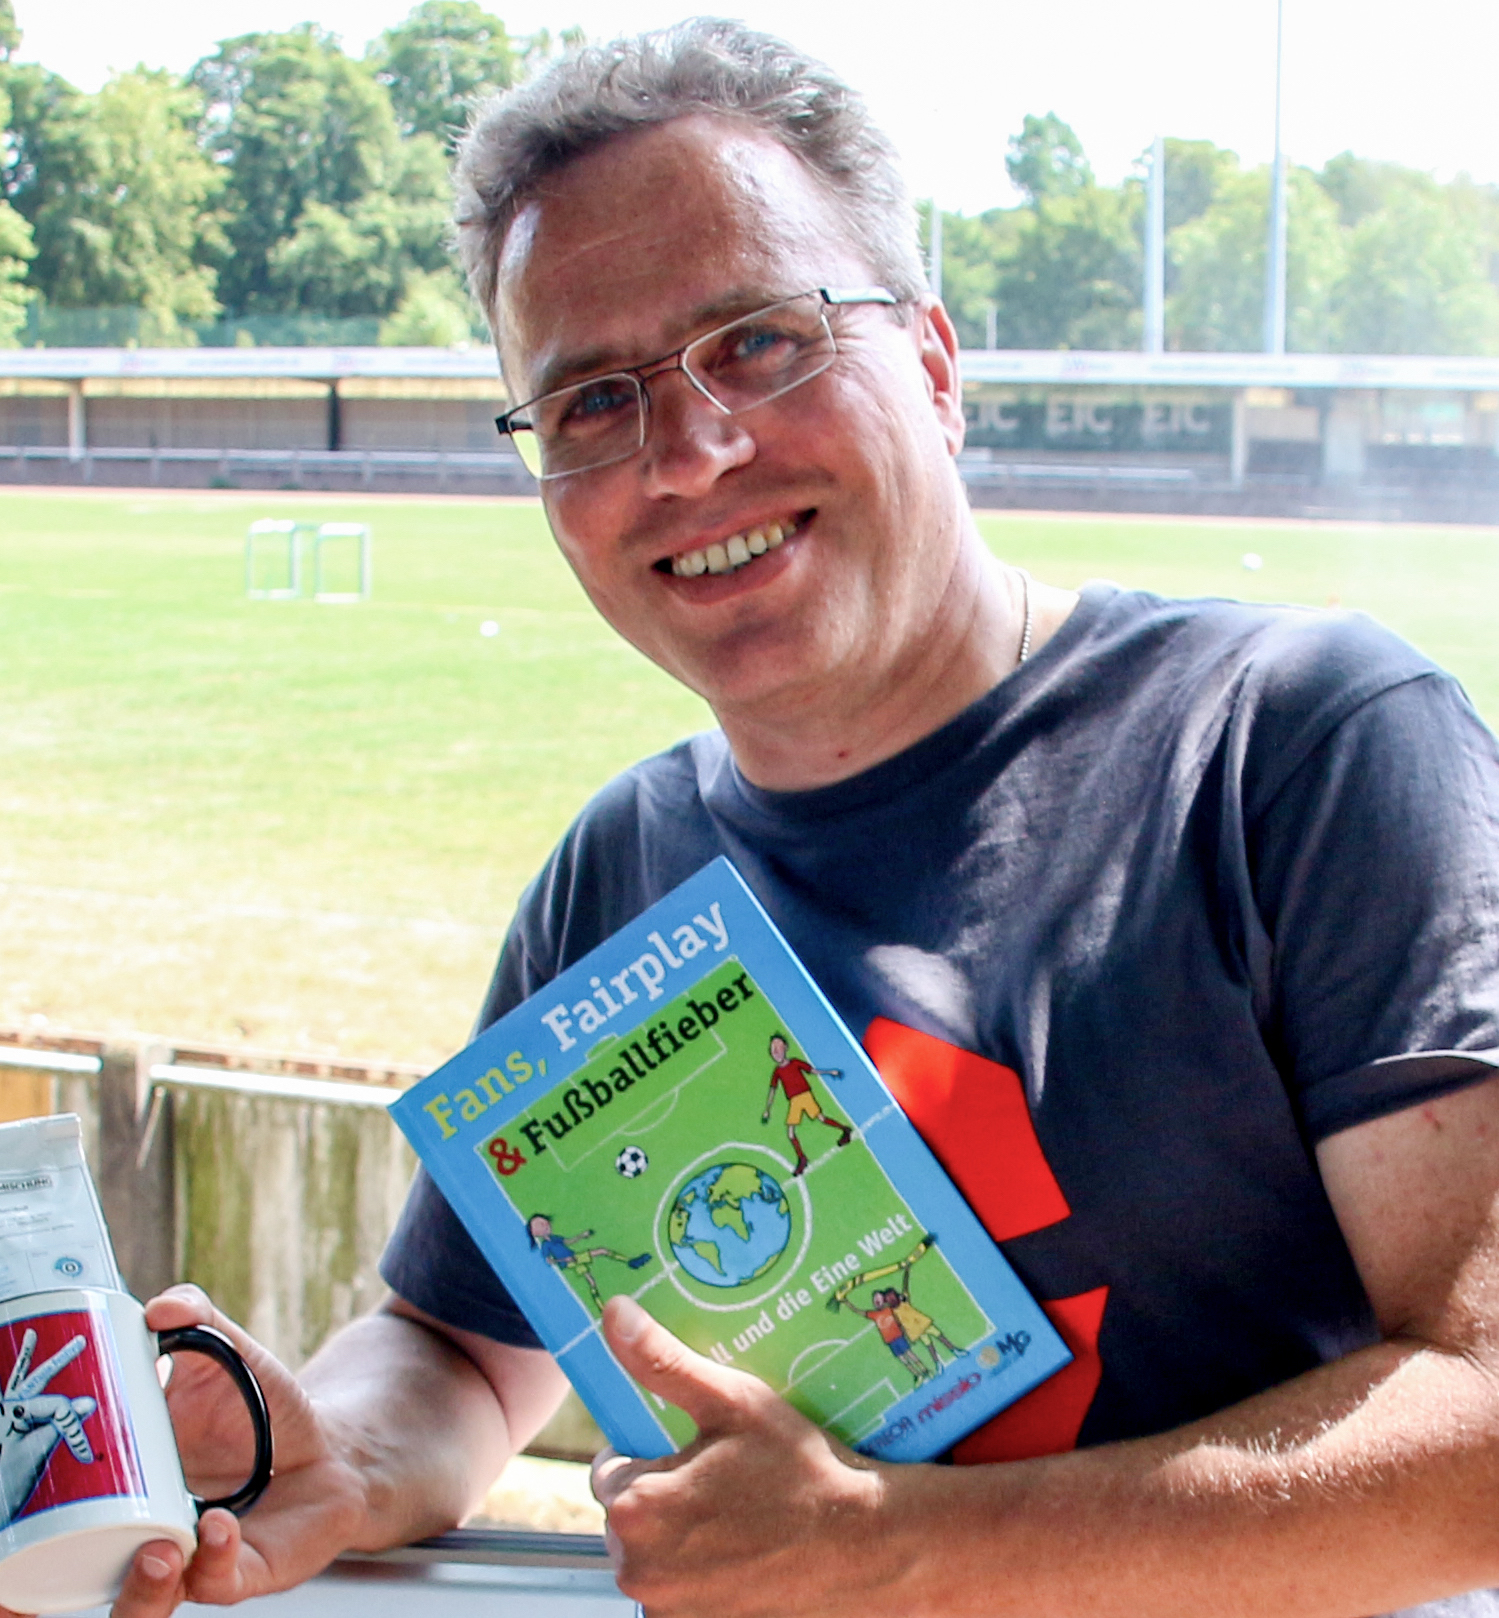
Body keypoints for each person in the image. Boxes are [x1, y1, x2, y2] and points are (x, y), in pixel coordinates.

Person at [75, 18, 1499, 1618]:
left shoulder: (1294, 744)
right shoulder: (615, 873)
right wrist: (325, 1441)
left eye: (758, 339)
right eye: (591, 404)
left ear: (938, 365)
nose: (689, 453)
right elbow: (462, 1358)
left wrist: (902, 1550)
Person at [760, 1031, 851, 1175]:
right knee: (791, 1132)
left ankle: (845, 1130)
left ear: (786, 1047)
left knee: (821, 1118)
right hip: (794, 1101)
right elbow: (773, 1090)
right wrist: (767, 1109)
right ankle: (802, 1158)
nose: (776, 1051)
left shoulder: (795, 1063)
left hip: (805, 1096)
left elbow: (812, 1071)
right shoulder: (777, 1072)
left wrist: (829, 1072)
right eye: (773, 1049)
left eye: (779, 1047)